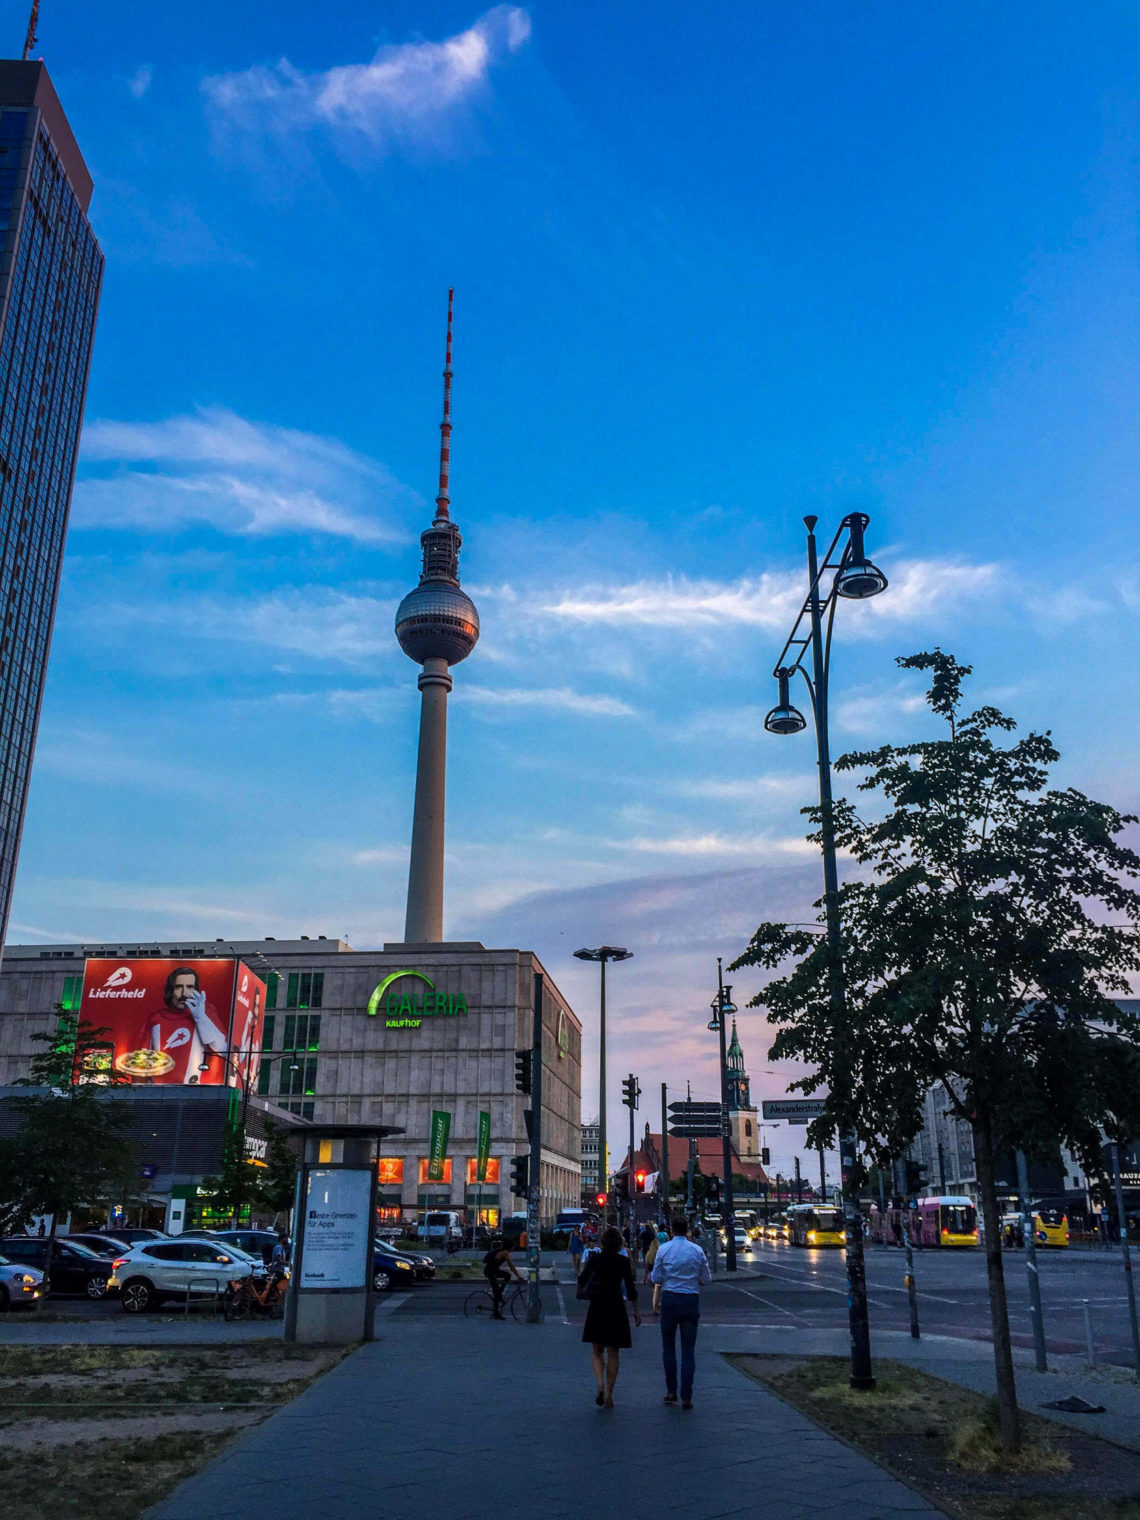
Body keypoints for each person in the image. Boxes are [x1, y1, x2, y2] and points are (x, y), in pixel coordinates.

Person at [651, 1214, 711, 1409]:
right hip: (690, 1300)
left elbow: (656, 1277)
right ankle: (687, 1396)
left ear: (671, 1230)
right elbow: (706, 1278)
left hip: (670, 1298)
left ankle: (671, 1391)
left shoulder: (664, 1250)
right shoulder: (697, 1250)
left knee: (668, 1347)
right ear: (687, 1230)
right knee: (688, 1350)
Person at [133, 966, 229, 1084]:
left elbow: (224, 1049)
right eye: (178, 987)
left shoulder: (206, 1012)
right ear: (170, 990)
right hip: (160, 1092)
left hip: (199, 1093)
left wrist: (202, 1019)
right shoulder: (156, 1018)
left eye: (189, 987)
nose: (184, 993)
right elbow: (142, 1063)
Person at [579, 1226, 641, 1407]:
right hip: (616, 1307)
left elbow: (582, 1279)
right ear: (620, 1243)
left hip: (597, 1306)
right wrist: (636, 1311)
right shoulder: (623, 1261)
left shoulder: (595, 1259)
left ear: (603, 1242)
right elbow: (630, 1288)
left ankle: (599, 1383)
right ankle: (609, 1394)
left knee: (597, 1350)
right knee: (614, 1352)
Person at [482, 1236, 523, 1319]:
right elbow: (511, 1266)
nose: (514, 1249)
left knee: (507, 1275)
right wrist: (519, 1276)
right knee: (496, 1293)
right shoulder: (505, 1253)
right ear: (510, 1247)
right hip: (489, 1272)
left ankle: (500, 1293)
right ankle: (496, 1314)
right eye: (513, 1247)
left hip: (494, 1270)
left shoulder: (503, 1251)